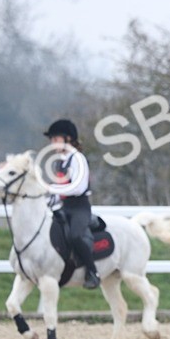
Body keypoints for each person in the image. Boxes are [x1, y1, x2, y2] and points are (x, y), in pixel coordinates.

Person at [44, 119, 100, 289]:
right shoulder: (59, 161)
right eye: (51, 140)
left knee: (76, 235)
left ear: (68, 139)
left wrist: (53, 188)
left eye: (56, 139)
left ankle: (92, 272)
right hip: (63, 206)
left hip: (79, 207)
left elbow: (78, 187)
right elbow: (57, 187)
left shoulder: (78, 159)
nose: (52, 144)